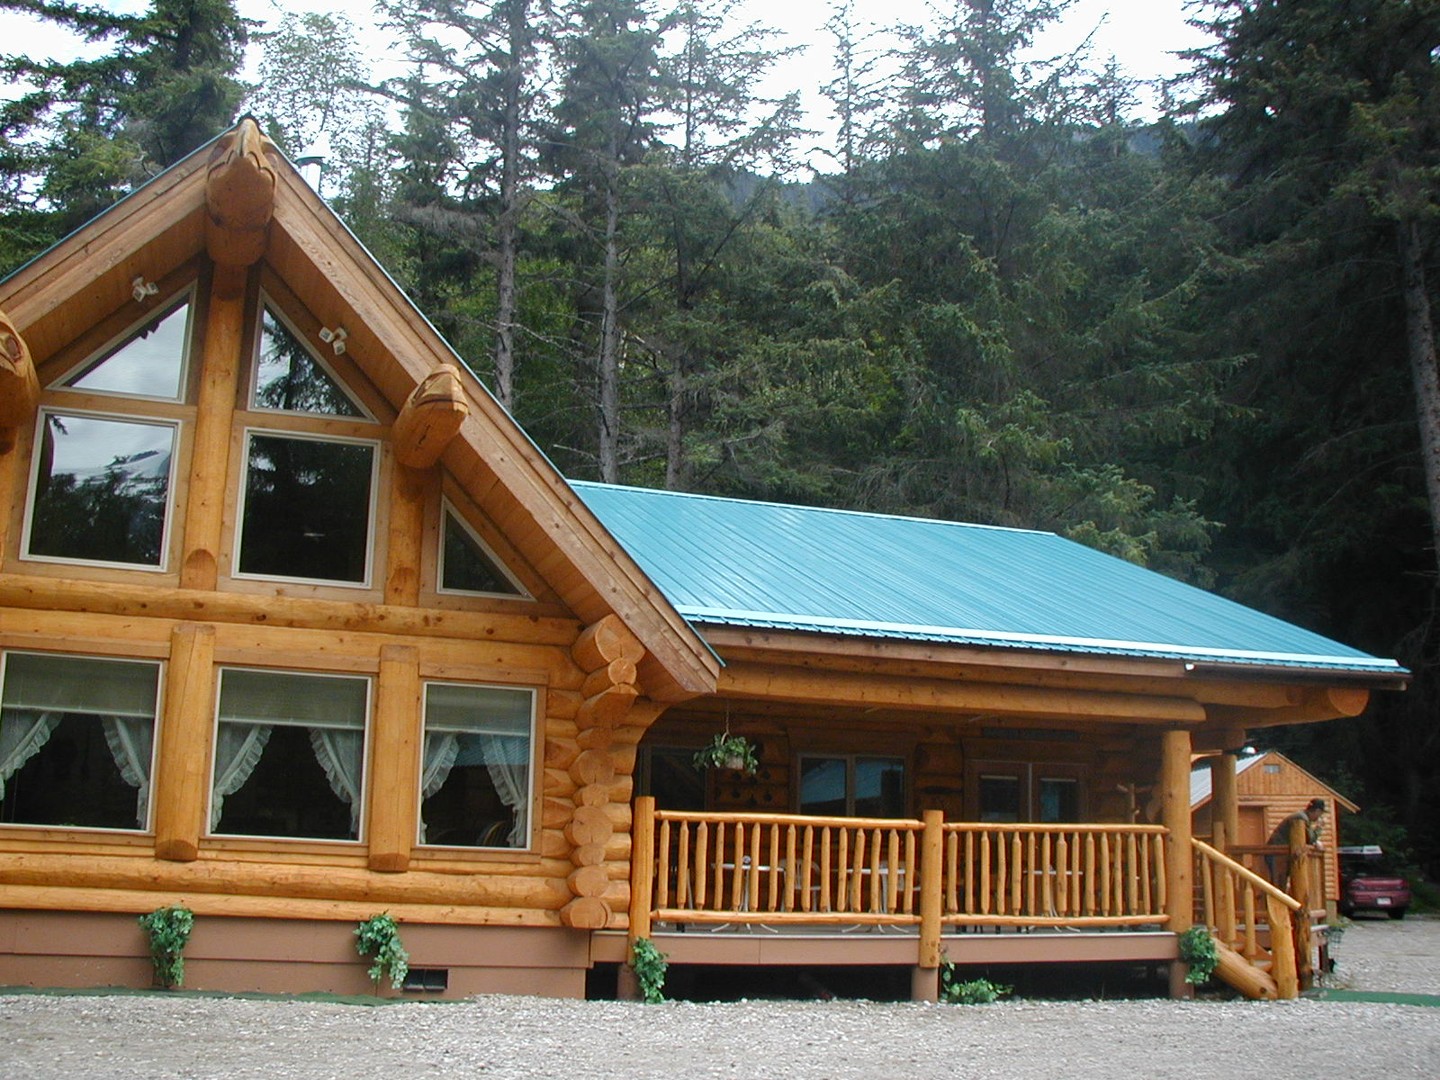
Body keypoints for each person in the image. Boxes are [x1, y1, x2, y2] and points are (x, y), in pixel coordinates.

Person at [1266, 798, 1326, 889]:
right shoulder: (1301, 818)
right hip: (1277, 854)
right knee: (1278, 883)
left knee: (1280, 882)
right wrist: (1319, 828)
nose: (1320, 816)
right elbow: (1310, 838)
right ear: (1317, 811)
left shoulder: (1302, 816)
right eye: (1321, 813)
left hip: (1280, 854)